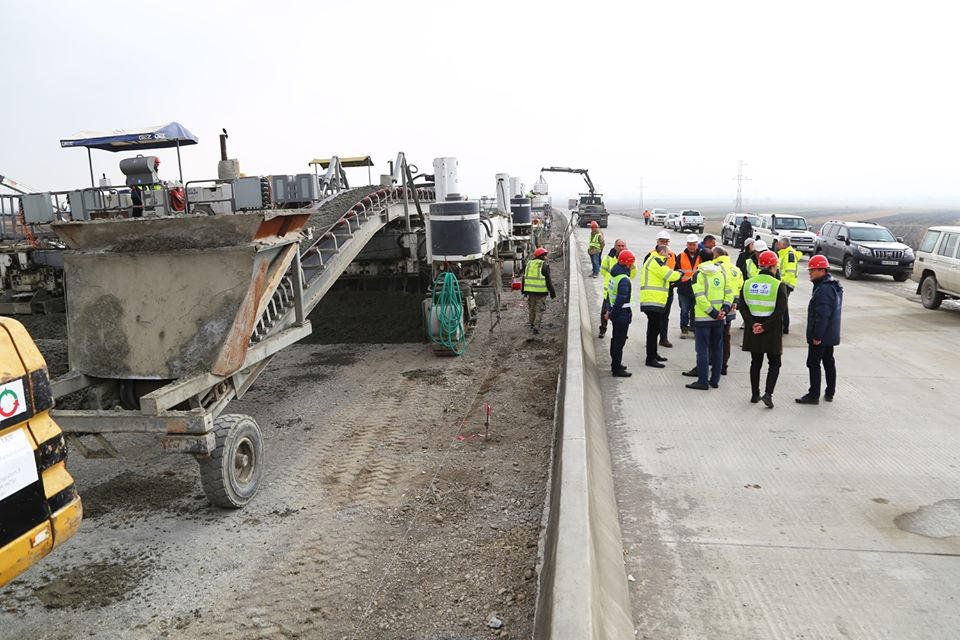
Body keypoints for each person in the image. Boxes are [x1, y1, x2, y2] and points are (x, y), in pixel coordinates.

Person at [739, 250, 788, 407]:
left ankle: (755, 394)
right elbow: (781, 311)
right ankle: (768, 393)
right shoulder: (778, 285)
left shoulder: (748, 283)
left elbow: (743, 307)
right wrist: (764, 326)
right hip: (771, 330)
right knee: (774, 362)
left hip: (753, 329)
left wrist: (752, 324)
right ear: (773, 267)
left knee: (755, 362)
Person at [796, 255, 842, 404]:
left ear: (822, 270)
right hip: (830, 334)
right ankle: (830, 392)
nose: (809, 273)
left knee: (813, 363)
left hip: (822, 336)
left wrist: (817, 336)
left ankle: (814, 395)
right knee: (828, 361)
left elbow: (822, 316)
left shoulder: (824, 290)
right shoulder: (832, 285)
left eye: (812, 270)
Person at [685, 258, 732, 390]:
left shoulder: (698, 274)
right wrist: (724, 310)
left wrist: (713, 312)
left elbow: (699, 297)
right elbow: (729, 293)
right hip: (719, 319)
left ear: (700, 259)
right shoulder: (721, 272)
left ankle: (702, 381)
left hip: (703, 319)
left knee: (702, 351)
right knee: (717, 349)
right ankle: (715, 380)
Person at [639, 244, 681, 368]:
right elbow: (669, 275)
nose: (669, 256)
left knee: (655, 329)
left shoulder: (654, 260)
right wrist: (679, 273)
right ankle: (650, 358)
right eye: (668, 254)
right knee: (653, 330)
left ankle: (653, 354)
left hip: (653, 300)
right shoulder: (656, 261)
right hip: (652, 300)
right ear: (662, 252)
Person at [605, 250, 637, 377]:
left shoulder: (614, 274)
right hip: (621, 314)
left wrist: (609, 311)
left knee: (616, 339)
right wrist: (612, 314)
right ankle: (616, 368)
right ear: (628, 264)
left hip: (615, 313)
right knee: (620, 341)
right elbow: (620, 299)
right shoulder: (624, 279)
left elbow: (609, 295)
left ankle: (616, 364)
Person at [676, 234, 712, 339]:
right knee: (684, 310)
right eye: (690, 244)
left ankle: (694, 328)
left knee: (695, 310)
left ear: (697, 245)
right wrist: (679, 283)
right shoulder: (681, 256)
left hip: (697, 289)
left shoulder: (702, 256)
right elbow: (677, 271)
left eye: (694, 244)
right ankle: (684, 329)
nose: (692, 247)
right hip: (684, 289)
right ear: (687, 245)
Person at [646, 231, 677, 348]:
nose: (664, 243)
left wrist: (674, 283)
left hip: (668, 290)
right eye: (662, 241)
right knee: (653, 319)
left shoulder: (672, 255)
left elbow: (676, 270)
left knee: (665, 316)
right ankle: (651, 340)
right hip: (655, 292)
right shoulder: (651, 255)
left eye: (666, 241)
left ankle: (663, 338)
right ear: (657, 242)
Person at [599, 239, 635, 338]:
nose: (620, 247)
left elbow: (632, 274)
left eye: (622, 246)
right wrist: (611, 280)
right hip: (609, 290)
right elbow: (602, 271)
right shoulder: (608, 258)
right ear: (615, 246)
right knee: (604, 312)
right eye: (618, 245)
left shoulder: (629, 258)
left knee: (621, 313)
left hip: (621, 289)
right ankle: (603, 329)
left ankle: (622, 333)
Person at [522, 247, 556, 334]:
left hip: (530, 291)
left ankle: (532, 324)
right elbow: (548, 280)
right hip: (541, 292)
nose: (546, 257)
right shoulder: (544, 265)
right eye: (545, 255)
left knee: (531, 308)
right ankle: (536, 327)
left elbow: (524, 278)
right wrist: (552, 292)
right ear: (542, 256)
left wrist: (524, 291)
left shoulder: (529, 264)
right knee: (539, 309)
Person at [776, 237, 801, 334]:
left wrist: (782, 283)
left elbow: (790, 272)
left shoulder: (789, 255)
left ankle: (784, 327)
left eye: (779, 244)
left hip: (786, 284)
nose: (777, 245)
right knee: (783, 305)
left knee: (783, 305)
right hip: (783, 283)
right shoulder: (783, 253)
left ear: (784, 245)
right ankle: (783, 326)